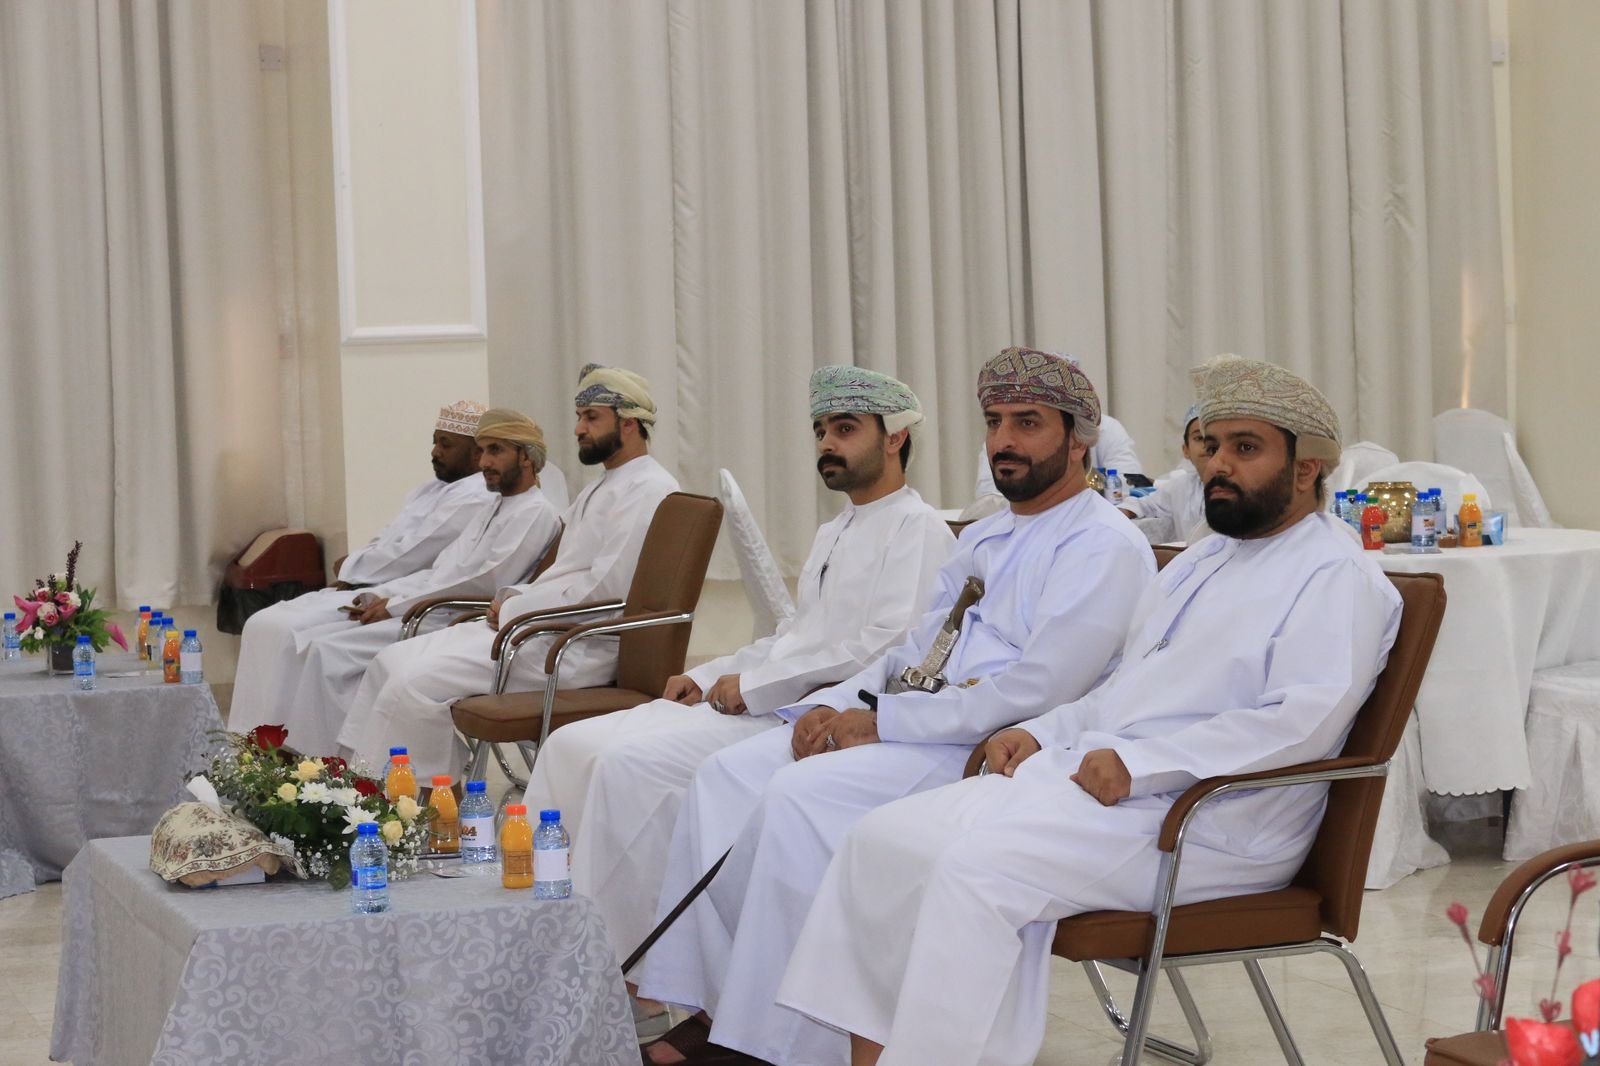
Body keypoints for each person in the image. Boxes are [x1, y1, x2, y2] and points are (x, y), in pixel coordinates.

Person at [776, 356, 1402, 1066]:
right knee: (883, 838)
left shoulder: (1337, 575)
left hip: (1212, 821)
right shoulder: (1202, 560)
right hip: (1107, 789)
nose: (1218, 465)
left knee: (973, 868)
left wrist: (1141, 764)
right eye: (1211, 445)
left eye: (1245, 447)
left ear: (1306, 467)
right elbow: (1125, 689)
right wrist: (1039, 732)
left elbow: (1298, 724)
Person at [637, 347, 1157, 1066]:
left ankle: (784, 1043)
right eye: (994, 422)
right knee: (734, 772)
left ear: (1078, 441)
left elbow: (1036, 692)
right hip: (918, 723)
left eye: (1027, 423)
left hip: (985, 752)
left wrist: (883, 722)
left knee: (799, 798)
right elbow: (914, 648)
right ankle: (723, 1005)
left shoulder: (1104, 545)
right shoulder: (989, 535)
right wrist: (833, 705)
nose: (1004, 440)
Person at [525, 365, 954, 967]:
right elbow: (794, 637)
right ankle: (539, 939)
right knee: (572, 746)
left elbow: (881, 651)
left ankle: (618, 967)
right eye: (820, 431)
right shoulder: (836, 529)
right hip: (767, 696)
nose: (827, 444)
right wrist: (706, 675)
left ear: (895, 438)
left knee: (625, 765)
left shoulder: (920, 529)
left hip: (808, 713)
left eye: (845, 429)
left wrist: (752, 686)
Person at [336, 366, 679, 779]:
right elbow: (564, 572)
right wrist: (514, 596)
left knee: (414, 681)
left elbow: (607, 590)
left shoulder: (648, 489)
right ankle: (361, 790)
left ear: (628, 424)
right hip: (538, 626)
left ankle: (423, 805)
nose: (578, 429)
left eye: (591, 418)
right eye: (578, 417)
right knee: (389, 661)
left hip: (575, 645)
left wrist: (518, 607)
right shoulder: (604, 485)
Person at [261, 410, 563, 755]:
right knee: (318, 644)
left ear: (526, 457)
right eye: (482, 451)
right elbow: (442, 570)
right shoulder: (493, 507)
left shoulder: (536, 513)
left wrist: (396, 606)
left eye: (496, 451)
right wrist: (381, 593)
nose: (484, 462)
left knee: (330, 654)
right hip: (425, 605)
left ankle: (332, 765)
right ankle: (324, 762)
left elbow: (484, 582)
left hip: (451, 615)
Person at [228, 400, 489, 733]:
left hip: (405, 596)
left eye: (446, 444)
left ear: (476, 453)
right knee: (263, 624)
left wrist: (353, 569)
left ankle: (291, 744)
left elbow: (413, 554)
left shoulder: (476, 496)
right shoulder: (432, 489)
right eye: (435, 441)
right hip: (375, 584)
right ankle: (255, 742)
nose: (435, 452)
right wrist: (355, 568)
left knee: (294, 636)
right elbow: (388, 538)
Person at [1118, 402, 1208, 542]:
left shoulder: (1237, 487)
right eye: (1199, 438)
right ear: (1186, 450)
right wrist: (1123, 512)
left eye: (1213, 439)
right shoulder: (1181, 486)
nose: (1207, 445)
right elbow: (1145, 504)